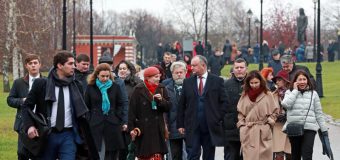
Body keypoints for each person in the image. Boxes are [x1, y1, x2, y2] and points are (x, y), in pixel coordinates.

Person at [21, 50, 98, 159]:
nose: (74, 67)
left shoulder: (77, 85)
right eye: (70, 64)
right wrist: (30, 126)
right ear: (60, 65)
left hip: (69, 135)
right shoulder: (42, 84)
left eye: (74, 64)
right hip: (48, 135)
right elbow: (26, 106)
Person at [177, 55, 227, 160]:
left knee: (209, 155)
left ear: (203, 65)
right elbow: (181, 104)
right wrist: (180, 124)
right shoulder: (188, 82)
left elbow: (224, 102)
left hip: (210, 126)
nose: (192, 68)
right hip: (192, 126)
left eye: (194, 65)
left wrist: (217, 118)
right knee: (192, 155)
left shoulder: (217, 81)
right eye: (191, 65)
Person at [281, 70, 328, 160]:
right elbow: (286, 105)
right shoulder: (289, 92)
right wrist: (295, 91)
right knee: (296, 155)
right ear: (295, 81)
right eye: (300, 79)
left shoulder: (313, 94)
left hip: (309, 128)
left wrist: (324, 129)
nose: (302, 82)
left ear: (307, 81)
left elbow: (318, 113)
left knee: (307, 155)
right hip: (294, 128)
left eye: (304, 79)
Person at [128, 66, 171, 159]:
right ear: (148, 78)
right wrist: (131, 128)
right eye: (155, 77)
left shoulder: (162, 88)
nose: (158, 79)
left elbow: (168, 107)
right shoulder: (138, 89)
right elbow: (131, 111)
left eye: (159, 76)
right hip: (143, 129)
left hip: (158, 128)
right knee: (145, 155)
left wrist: (161, 100)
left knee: (158, 155)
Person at [85, 63, 125, 160]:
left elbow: (121, 103)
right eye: (103, 76)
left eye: (107, 76)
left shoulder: (115, 87)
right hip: (95, 124)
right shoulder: (91, 87)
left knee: (111, 153)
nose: (105, 78)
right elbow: (86, 105)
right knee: (97, 151)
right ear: (97, 75)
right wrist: (90, 119)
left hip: (112, 123)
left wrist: (117, 116)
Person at [7, 54, 43, 160]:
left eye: (35, 63)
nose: (33, 66)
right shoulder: (19, 82)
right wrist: (22, 101)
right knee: (22, 153)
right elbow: (10, 100)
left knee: (41, 153)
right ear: (26, 66)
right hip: (23, 123)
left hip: (41, 122)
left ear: (40, 65)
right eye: (30, 63)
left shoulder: (46, 81)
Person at [237, 70, 279, 160]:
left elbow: (275, 111)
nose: (254, 85)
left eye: (256, 82)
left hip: (263, 132)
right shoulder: (244, 95)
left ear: (261, 81)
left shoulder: (268, 94)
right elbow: (240, 113)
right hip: (248, 132)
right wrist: (242, 126)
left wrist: (269, 122)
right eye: (251, 83)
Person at [114, 60, 143, 160]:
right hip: (117, 120)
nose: (122, 71)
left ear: (129, 70)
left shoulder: (136, 83)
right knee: (120, 150)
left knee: (131, 149)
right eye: (120, 69)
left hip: (132, 120)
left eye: (124, 69)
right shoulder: (113, 82)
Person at [223, 58, 248, 160]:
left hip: (248, 129)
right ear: (233, 69)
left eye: (241, 67)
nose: (239, 70)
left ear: (246, 69)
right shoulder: (225, 85)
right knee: (231, 157)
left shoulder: (253, 83)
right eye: (237, 67)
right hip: (230, 130)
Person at [165, 61, 187, 160]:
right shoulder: (166, 89)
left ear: (185, 72)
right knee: (175, 155)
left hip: (189, 127)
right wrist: (166, 127)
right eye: (176, 73)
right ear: (172, 74)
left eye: (180, 72)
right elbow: (164, 111)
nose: (178, 75)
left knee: (191, 155)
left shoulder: (192, 86)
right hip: (173, 127)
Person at [272, 70, 292, 160]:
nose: (277, 82)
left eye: (279, 79)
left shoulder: (293, 94)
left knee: (290, 153)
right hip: (278, 126)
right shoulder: (273, 95)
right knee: (278, 154)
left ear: (285, 81)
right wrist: (274, 117)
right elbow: (269, 111)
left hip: (290, 126)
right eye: (276, 80)